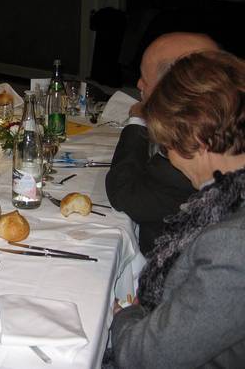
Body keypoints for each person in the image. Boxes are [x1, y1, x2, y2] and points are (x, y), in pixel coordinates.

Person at [110, 50, 245, 367]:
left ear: (198, 139)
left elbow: (146, 357)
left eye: (167, 143)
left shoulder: (232, 244)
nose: (169, 156)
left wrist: (123, 316)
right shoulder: (222, 203)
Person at [105, 32, 219, 254]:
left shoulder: (193, 150)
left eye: (144, 78)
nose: (138, 83)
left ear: (174, 87)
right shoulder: (213, 125)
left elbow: (126, 193)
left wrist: (138, 119)